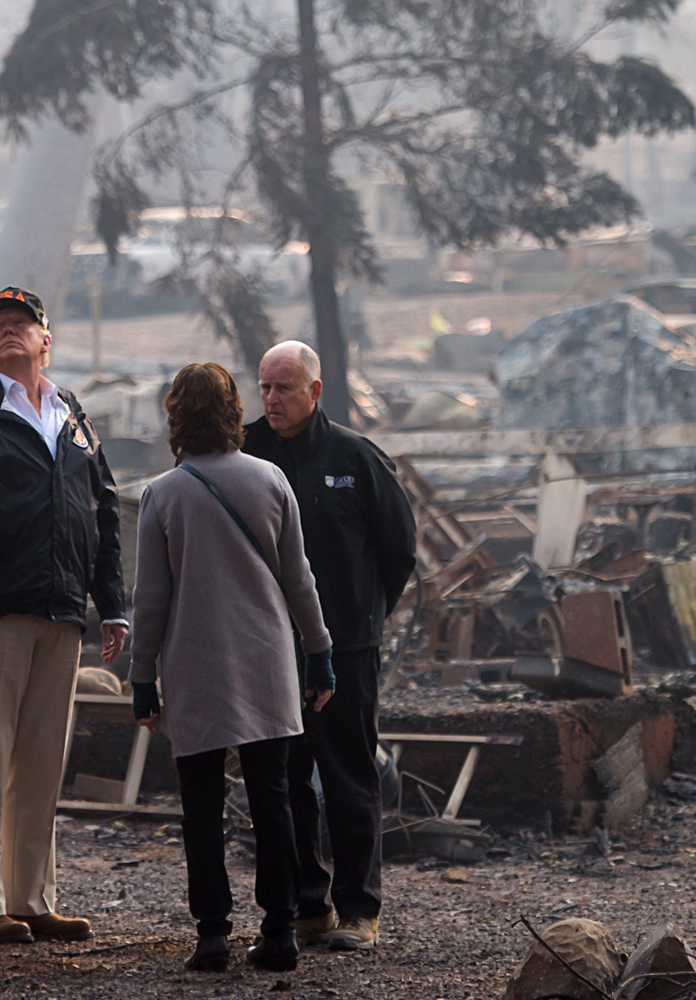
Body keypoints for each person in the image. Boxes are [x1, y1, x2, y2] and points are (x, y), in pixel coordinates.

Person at [0, 286, 128, 947]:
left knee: (41, 759)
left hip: (62, 610)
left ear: (46, 340)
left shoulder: (73, 419)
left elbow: (105, 513)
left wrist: (112, 603)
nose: (10, 332)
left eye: (22, 324)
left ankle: (33, 899)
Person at [128, 362, 336, 973]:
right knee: (274, 800)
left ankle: (213, 935)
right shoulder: (271, 479)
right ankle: (279, 933)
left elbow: (152, 600)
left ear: (175, 417)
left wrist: (143, 680)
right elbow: (300, 580)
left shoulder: (163, 494)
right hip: (268, 661)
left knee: (202, 805)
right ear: (232, 411)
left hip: (195, 667)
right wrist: (319, 653)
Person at [242, 341, 418, 954]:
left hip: (345, 649)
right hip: (270, 647)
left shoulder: (354, 456)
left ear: (315, 392)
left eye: (285, 387)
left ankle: (359, 910)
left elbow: (398, 551)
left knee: (348, 777)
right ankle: (306, 906)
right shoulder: (247, 452)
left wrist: (364, 618)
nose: (272, 399)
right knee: (283, 780)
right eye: (264, 386)